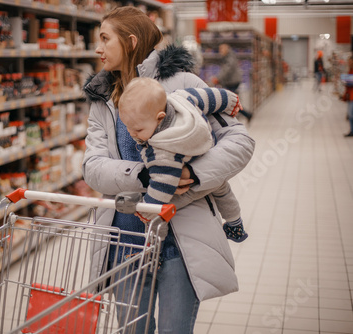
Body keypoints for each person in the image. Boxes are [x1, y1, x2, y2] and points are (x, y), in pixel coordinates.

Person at [82, 6, 255, 334]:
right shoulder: (101, 98)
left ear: (131, 41)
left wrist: (197, 175)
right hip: (125, 241)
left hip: (179, 242)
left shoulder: (183, 82)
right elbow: (92, 168)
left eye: (105, 38)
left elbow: (240, 141)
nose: (97, 48)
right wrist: (143, 175)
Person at [119, 77, 248, 243]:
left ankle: (154, 246)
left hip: (189, 179)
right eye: (127, 126)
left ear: (160, 118)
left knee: (162, 212)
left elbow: (161, 189)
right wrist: (231, 101)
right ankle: (236, 225)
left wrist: (147, 210)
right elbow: (209, 96)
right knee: (222, 189)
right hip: (209, 152)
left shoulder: (162, 153)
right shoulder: (181, 99)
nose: (131, 133)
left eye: (137, 129)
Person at [212, 43, 253, 121]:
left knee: (231, 101)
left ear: (226, 49)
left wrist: (218, 78)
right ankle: (246, 115)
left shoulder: (230, 57)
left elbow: (227, 69)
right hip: (231, 82)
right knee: (232, 100)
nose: (220, 51)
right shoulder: (228, 56)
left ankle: (247, 115)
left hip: (233, 82)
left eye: (222, 49)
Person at [343, 56, 353, 137]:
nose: (349, 63)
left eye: (350, 61)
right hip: (350, 95)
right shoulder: (350, 70)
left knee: (350, 114)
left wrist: (347, 81)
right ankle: (351, 130)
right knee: (350, 114)